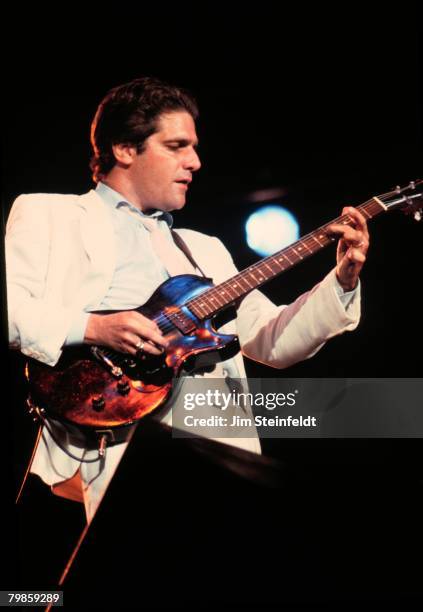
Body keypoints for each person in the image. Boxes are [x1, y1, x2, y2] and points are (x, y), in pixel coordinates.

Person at [6, 76, 369, 523]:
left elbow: (272, 343)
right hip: (104, 444)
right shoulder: (49, 214)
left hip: (210, 450)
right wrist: (94, 327)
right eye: (177, 146)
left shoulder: (205, 249)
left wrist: (343, 278)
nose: (195, 162)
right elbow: (12, 310)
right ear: (124, 148)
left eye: (194, 148)